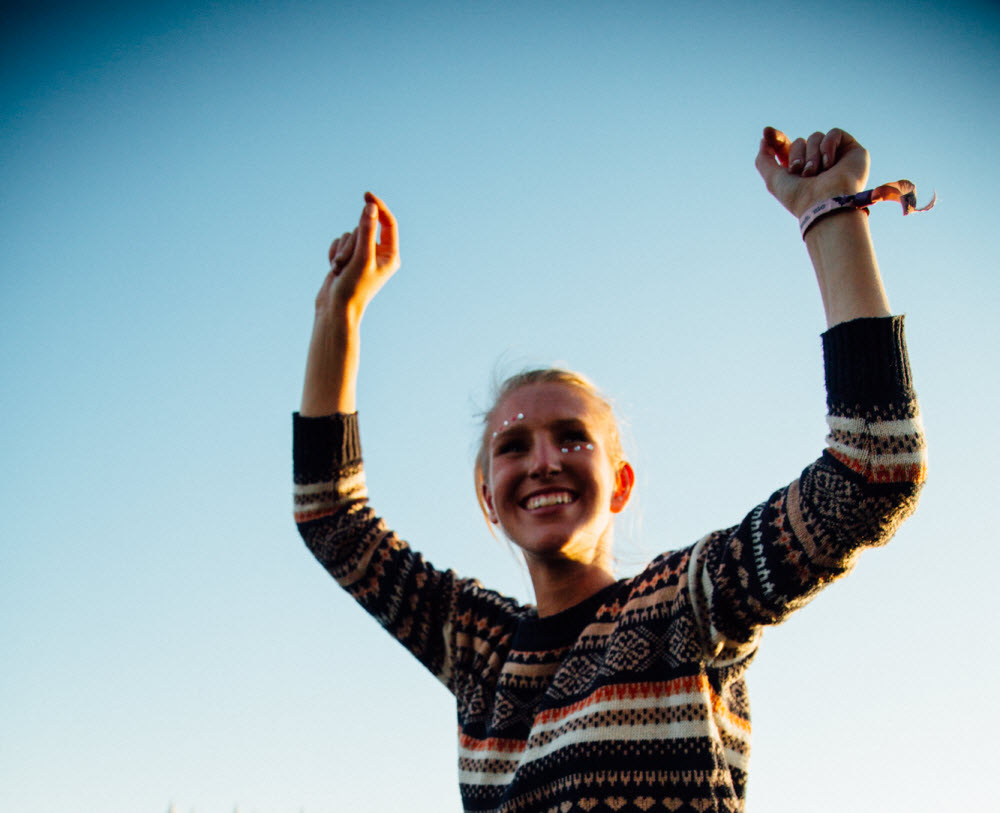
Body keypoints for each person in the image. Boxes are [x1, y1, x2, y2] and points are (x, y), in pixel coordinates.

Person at [292, 126, 927, 812]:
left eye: (572, 439)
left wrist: (828, 214)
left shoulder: (682, 605)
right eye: (512, 446)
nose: (542, 462)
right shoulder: (479, 649)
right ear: (487, 497)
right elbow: (331, 518)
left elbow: (871, 470)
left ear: (621, 483)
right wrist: (337, 312)